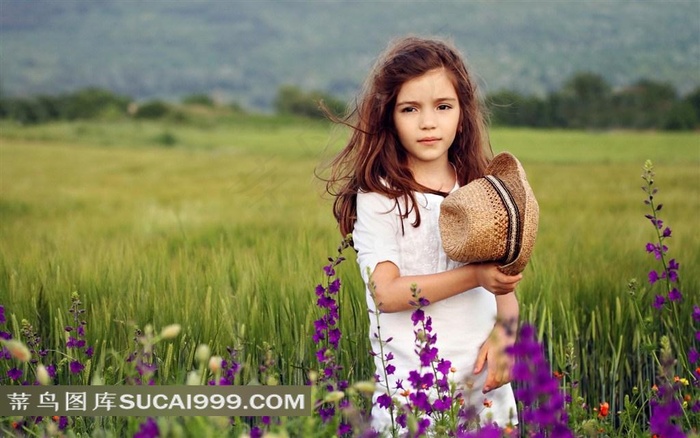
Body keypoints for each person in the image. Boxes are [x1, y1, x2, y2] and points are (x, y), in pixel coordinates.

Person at [325, 36, 520, 433]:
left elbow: (505, 285)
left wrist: (507, 337)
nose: (428, 122)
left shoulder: (481, 189)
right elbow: (387, 293)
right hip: (412, 398)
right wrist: (473, 276)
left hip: (484, 392)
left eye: (443, 107)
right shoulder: (380, 197)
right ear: (389, 118)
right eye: (410, 109)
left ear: (462, 114)